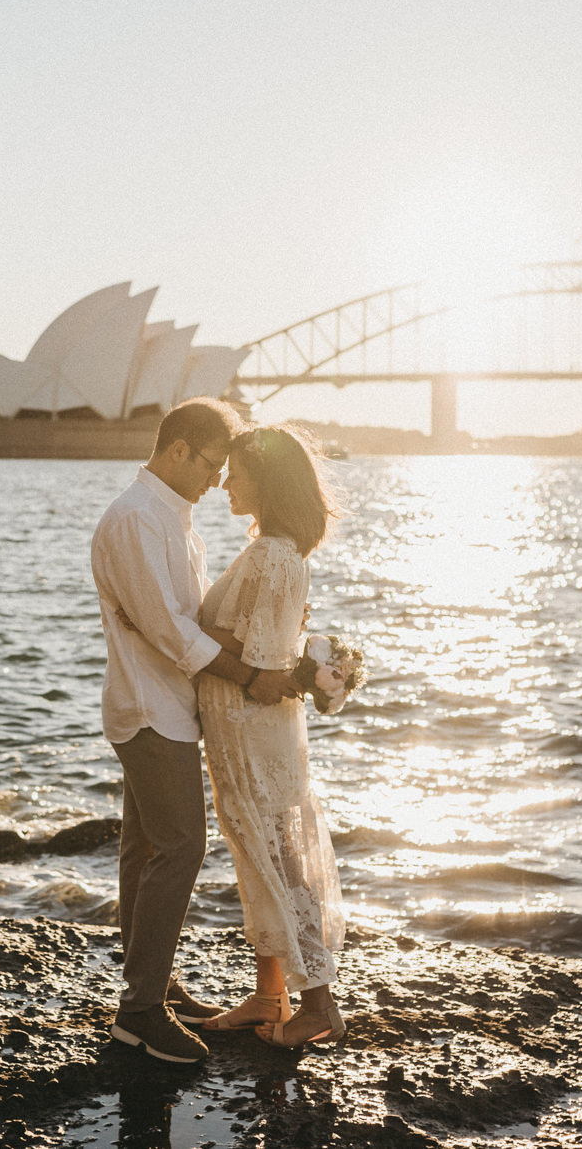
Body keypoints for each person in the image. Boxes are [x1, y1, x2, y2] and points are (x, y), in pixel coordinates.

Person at [89, 398, 298, 1065]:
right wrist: (247, 676)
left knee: (146, 846)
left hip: (170, 706)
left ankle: (152, 984)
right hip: (150, 709)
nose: (218, 480)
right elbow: (169, 630)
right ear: (177, 449)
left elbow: (198, 620)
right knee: (181, 846)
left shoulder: (178, 523)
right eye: (212, 465)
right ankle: (139, 1013)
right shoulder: (135, 520)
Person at [191, 424, 348, 1048]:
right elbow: (264, 646)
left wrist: (166, 621)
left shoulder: (274, 555)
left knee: (276, 858)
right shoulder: (276, 551)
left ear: (269, 480)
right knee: (262, 854)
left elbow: (259, 661)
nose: (227, 482)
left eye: (238, 471)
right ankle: (268, 995)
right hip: (249, 729)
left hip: (252, 730)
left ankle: (317, 1004)